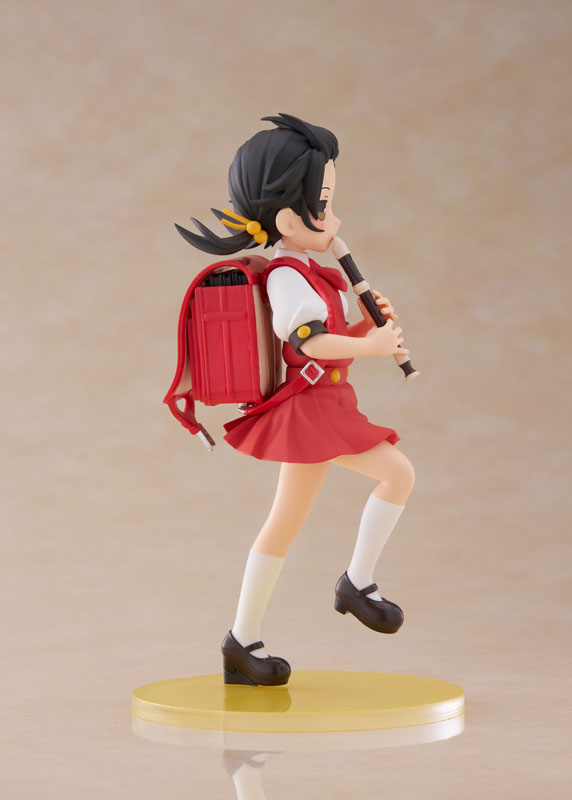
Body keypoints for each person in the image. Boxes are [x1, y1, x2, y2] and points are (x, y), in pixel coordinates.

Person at [175, 114, 415, 686]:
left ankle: (242, 641)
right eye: (323, 205)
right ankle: (356, 585)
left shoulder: (309, 270)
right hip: (311, 410)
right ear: (288, 217)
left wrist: (365, 327)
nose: (335, 219)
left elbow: (328, 343)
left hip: (325, 403)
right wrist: (374, 346)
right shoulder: (287, 275)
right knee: (397, 475)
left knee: (283, 524)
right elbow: (306, 342)